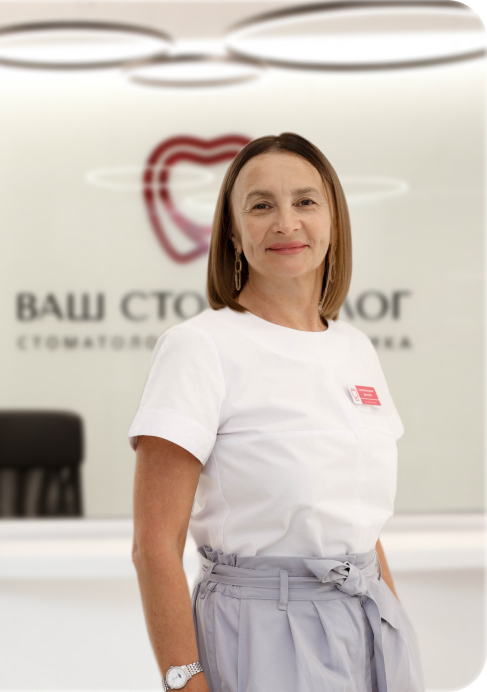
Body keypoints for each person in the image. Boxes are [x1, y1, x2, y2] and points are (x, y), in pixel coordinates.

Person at [128, 132, 425, 692]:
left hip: (371, 626)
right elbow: (153, 546)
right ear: (233, 233)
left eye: (305, 202)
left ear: (333, 221)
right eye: (261, 206)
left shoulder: (355, 348)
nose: (286, 223)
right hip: (262, 631)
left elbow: (356, 524)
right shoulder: (199, 347)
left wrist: (394, 632)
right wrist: (184, 682)